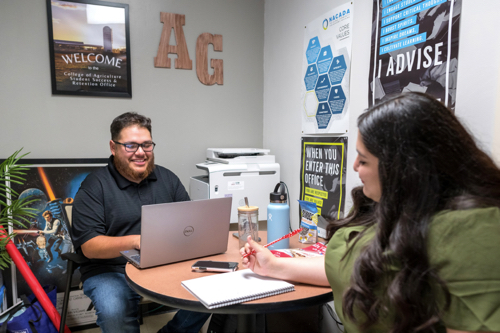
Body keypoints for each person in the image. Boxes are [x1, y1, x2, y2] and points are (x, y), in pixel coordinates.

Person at [241, 92, 500, 333]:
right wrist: (274, 265)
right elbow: (356, 267)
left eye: (363, 160)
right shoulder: (392, 205)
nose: (354, 167)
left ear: (404, 168)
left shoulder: (473, 228)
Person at [71, 112, 210, 333]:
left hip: (165, 262)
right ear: (113, 147)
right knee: (114, 311)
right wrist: (136, 241)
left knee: (214, 290)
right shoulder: (94, 186)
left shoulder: (168, 179)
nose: (140, 153)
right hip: (110, 269)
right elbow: (89, 246)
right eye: (131, 146)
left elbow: (190, 225)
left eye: (146, 145)